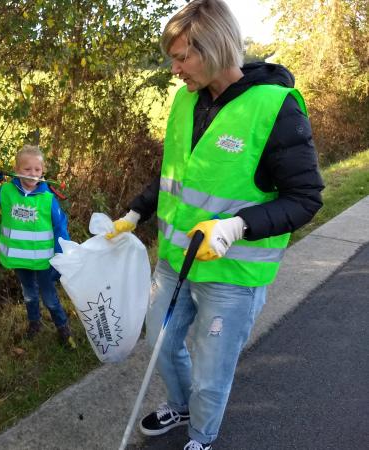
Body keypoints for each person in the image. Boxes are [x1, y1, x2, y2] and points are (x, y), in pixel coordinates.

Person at [107, 1, 324, 449]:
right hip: (175, 259)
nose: (174, 68)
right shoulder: (186, 101)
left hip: (232, 274)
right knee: (162, 345)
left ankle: (202, 437)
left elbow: (305, 198)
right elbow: (177, 174)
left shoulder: (275, 107)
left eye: (182, 56)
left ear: (216, 48)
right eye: (173, 57)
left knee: (211, 373)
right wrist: (135, 211)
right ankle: (181, 406)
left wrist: (236, 226)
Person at [0, 144, 76, 348]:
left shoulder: (48, 198)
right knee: (29, 295)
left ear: (43, 171)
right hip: (19, 259)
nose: (32, 174)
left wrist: (61, 257)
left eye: (37, 170)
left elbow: (60, 228)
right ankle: (34, 325)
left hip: (44, 262)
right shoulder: (6, 191)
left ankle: (63, 328)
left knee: (50, 298)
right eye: (27, 169)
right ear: (17, 170)